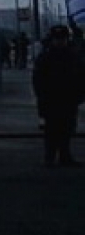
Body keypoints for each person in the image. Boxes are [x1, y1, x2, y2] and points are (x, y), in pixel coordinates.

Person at [32, 25, 85, 167]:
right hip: (52, 98)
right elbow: (38, 79)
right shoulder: (48, 57)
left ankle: (63, 155)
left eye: (62, 39)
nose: (60, 42)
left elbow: (81, 76)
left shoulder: (71, 56)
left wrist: (79, 95)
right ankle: (51, 156)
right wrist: (41, 95)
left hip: (68, 98)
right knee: (52, 129)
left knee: (66, 128)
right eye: (58, 39)